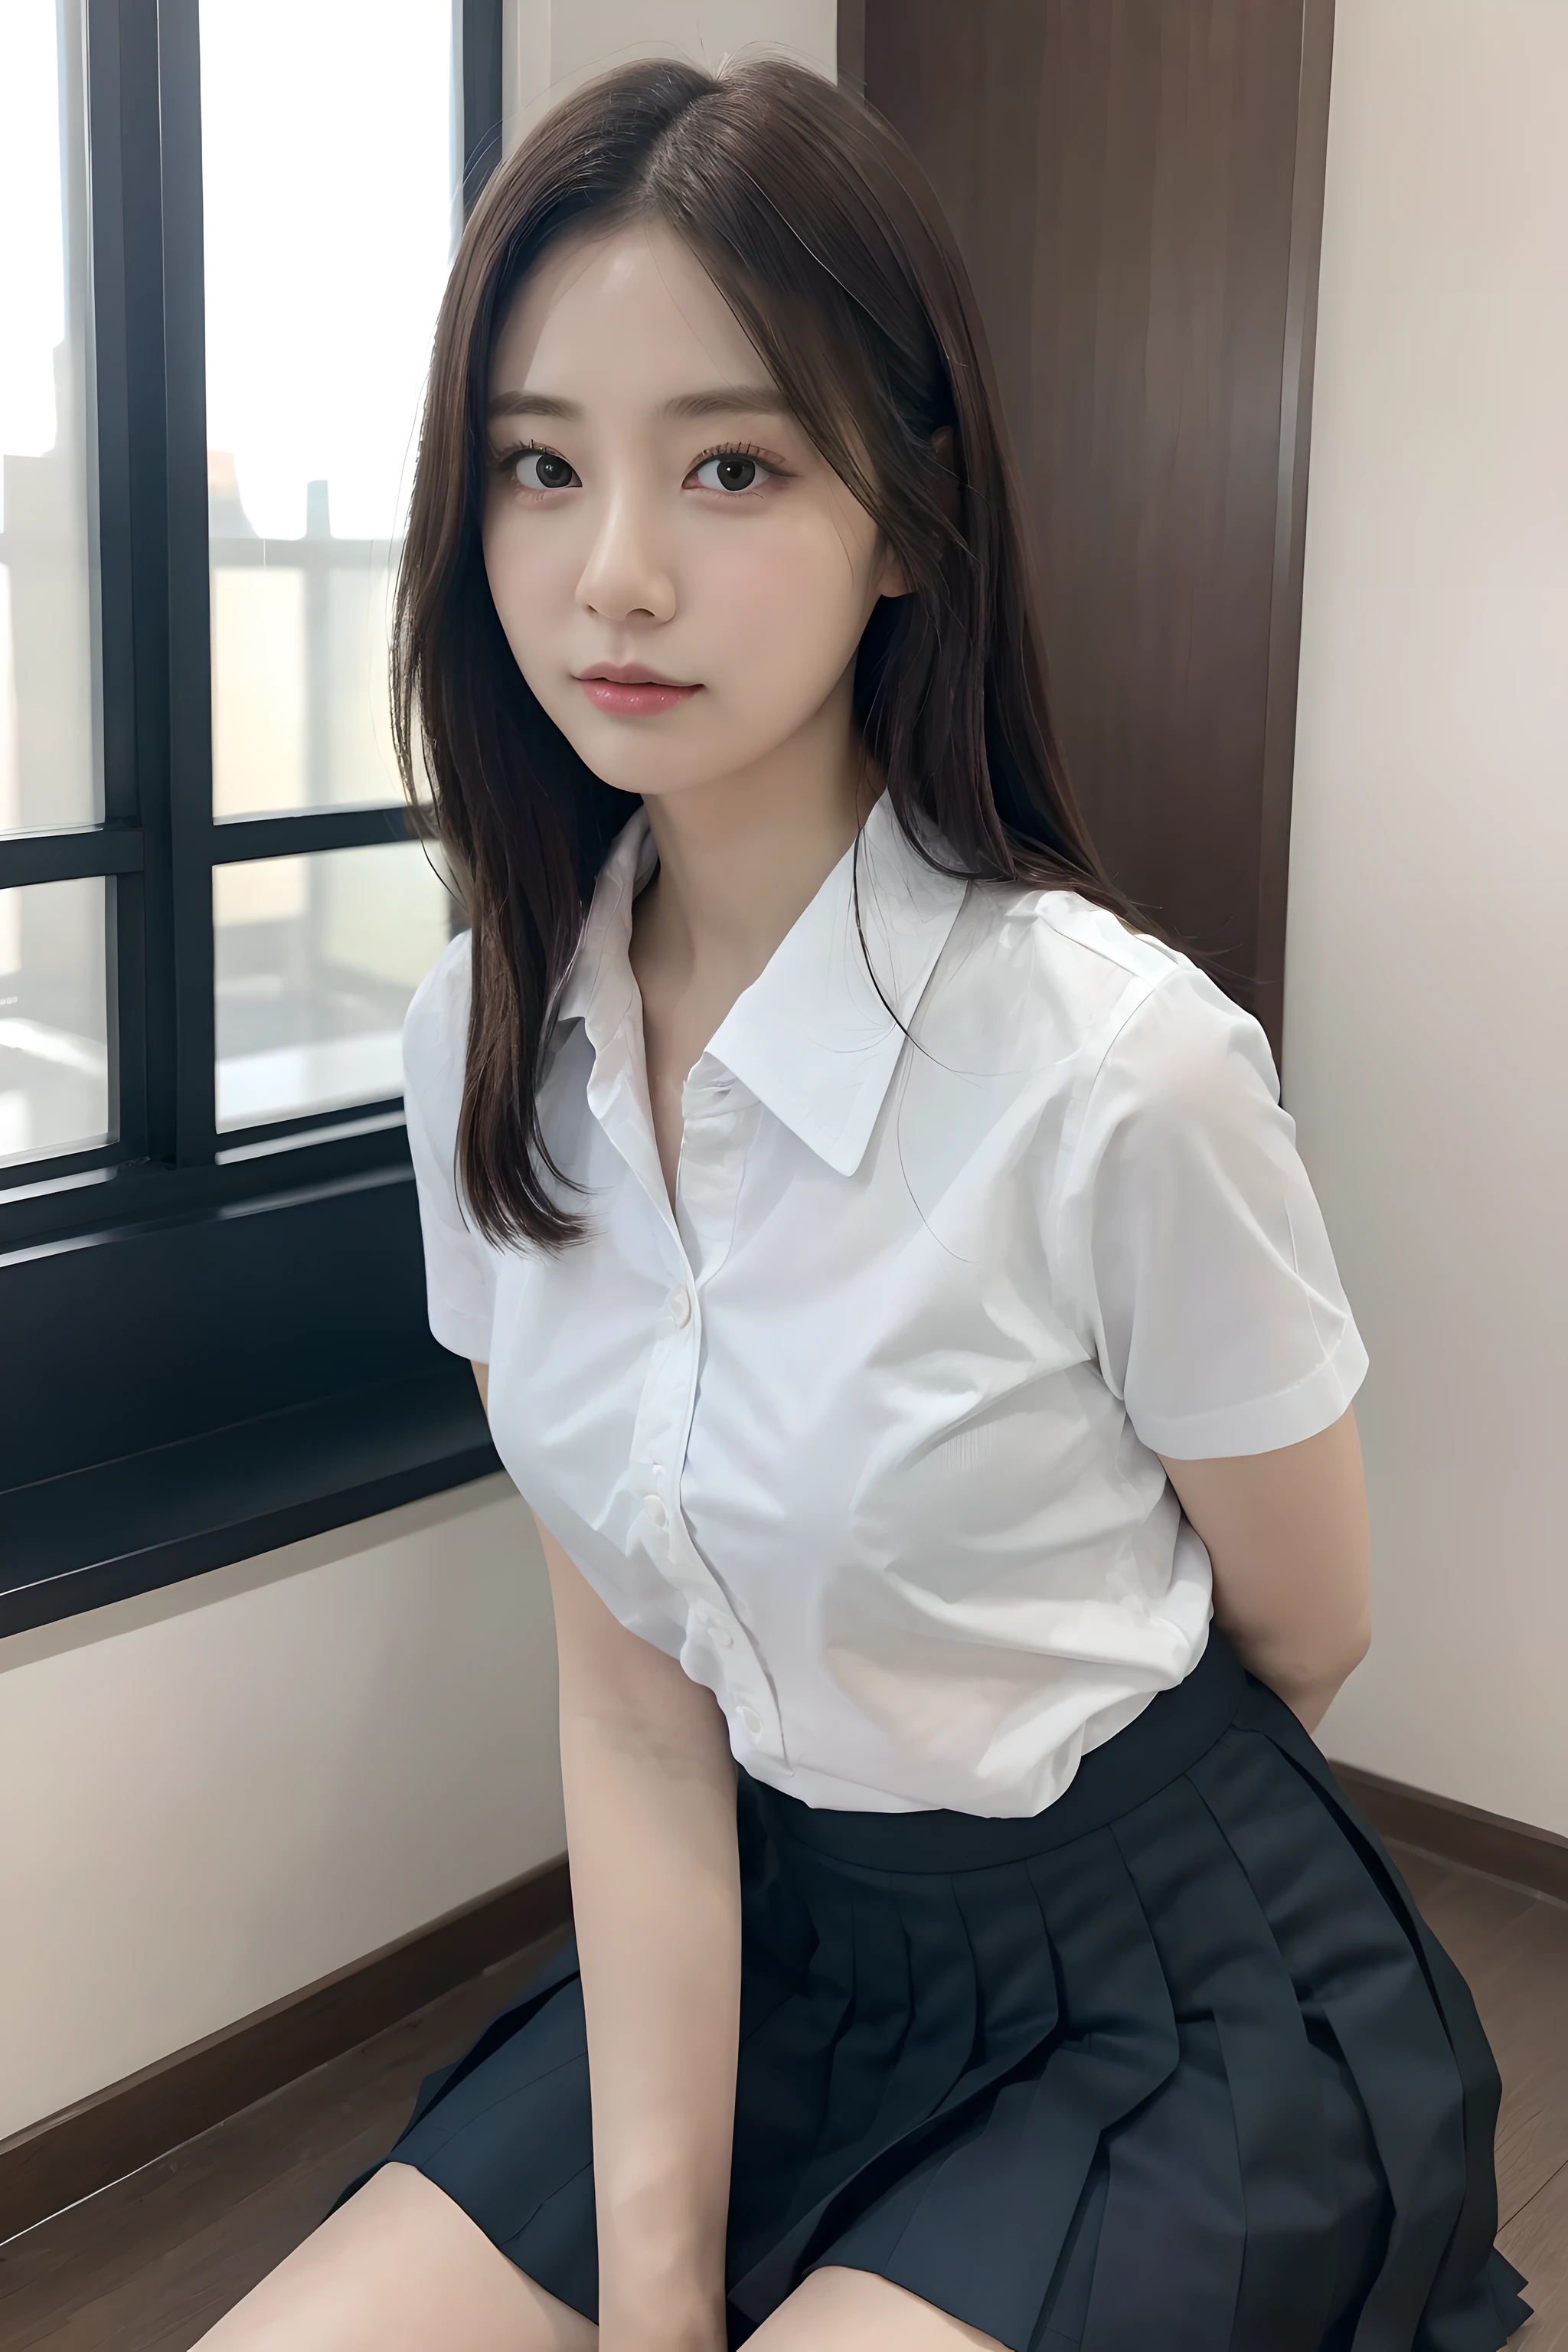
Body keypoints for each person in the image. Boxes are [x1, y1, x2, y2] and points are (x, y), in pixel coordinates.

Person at [198, 56, 1528, 2352]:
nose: (612, 569)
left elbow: (1306, 1632)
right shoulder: (484, 1046)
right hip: (766, 1927)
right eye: (539, 464)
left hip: (1165, 1987)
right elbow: (630, 1708)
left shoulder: (1118, 1069)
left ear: (905, 518)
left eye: (731, 464)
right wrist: (654, 2292)